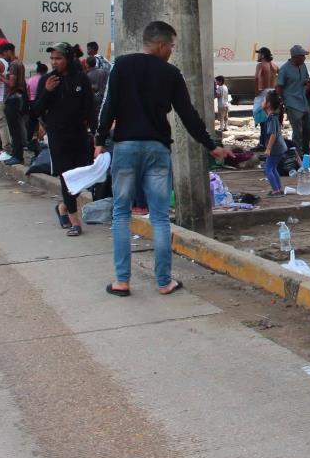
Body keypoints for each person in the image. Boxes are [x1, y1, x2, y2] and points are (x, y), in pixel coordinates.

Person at [94, 21, 229, 297]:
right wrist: (209, 145)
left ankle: (122, 281)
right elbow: (187, 114)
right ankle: (164, 282)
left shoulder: (121, 65)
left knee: (121, 214)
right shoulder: (170, 73)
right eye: (171, 46)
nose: (171, 51)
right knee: (159, 218)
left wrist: (98, 141)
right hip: (156, 149)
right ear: (159, 44)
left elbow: (109, 107)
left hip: (126, 146)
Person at [34, 43, 96, 237]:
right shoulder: (47, 80)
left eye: (58, 58)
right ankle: (75, 221)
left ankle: (63, 207)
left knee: (84, 174)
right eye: (52, 59)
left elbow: (90, 108)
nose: (54, 62)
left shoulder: (81, 79)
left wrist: (96, 134)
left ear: (68, 59)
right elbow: (36, 110)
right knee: (66, 176)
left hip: (79, 134)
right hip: (58, 136)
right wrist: (47, 91)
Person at [277, 45, 310, 153]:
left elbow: (305, 80)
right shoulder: (284, 69)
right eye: (303, 56)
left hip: (303, 100)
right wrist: (282, 102)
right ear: (295, 57)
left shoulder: (303, 66)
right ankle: (296, 152)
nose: (305, 58)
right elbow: (279, 87)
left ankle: (305, 150)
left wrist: (309, 83)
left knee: (307, 128)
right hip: (291, 102)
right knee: (297, 130)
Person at [0, 39, 15, 156]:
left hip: (0, 98)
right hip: (9, 98)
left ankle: (6, 148)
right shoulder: (11, 62)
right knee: (11, 123)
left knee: (1, 124)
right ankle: (14, 145)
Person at [3, 58, 29, 165]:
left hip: (13, 99)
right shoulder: (20, 64)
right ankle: (16, 154)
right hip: (19, 98)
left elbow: (11, 83)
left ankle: (17, 155)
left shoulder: (13, 65)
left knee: (14, 129)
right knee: (16, 128)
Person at [262, 90, 287, 196]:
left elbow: (273, 134)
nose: (262, 102)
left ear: (268, 104)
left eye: (263, 100)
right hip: (280, 147)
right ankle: (279, 189)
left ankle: (276, 190)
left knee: (268, 169)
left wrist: (268, 148)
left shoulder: (272, 118)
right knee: (273, 168)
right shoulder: (273, 117)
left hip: (275, 148)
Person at [254, 46, 279, 149]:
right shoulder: (275, 65)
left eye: (259, 53)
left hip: (263, 93)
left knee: (262, 120)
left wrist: (256, 92)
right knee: (271, 118)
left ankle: (263, 143)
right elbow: (281, 77)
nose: (258, 55)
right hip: (272, 92)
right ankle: (269, 142)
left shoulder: (260, 65)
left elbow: (257, 77)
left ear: (263, 55)